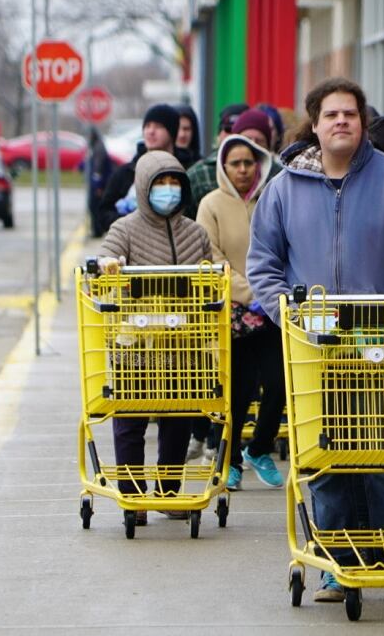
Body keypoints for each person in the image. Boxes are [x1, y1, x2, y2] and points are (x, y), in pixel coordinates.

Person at [247, 76, 384, 602]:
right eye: (331, 115)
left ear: (363, 122)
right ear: (315, 124)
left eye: (351, 113)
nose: (341, 121)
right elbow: (264, 265)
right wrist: (297, 320)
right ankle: (334, 561)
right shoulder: (282, 188)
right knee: (326, 458)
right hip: (316, 350)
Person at [96, 150, 212, 527]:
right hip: (135, 344)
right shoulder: (125, 229)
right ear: (144, 187)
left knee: (177, 414)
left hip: (182, 344)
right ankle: (133, 495)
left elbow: (208, 278)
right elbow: (106, 259)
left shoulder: (195, 233)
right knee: (131, 418)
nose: (167, 190)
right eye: (159, 183)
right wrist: (109, 265)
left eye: (173, 183)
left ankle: (167, 492)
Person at [186, 107, 285, 462]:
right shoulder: (210, 204)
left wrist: (271, 294)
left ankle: (259, 449)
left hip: (273, 310)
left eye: (249, 162)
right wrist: (250, 292)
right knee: (238, 391)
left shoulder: (273, 197)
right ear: (223, 168)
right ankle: (229, 461)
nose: (243, 169)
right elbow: (211, 257)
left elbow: (283, 247)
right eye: (235, 163)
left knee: (278, 384)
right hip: (235, 313)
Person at [97, 103, 180, 234]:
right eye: (147, 126)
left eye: (158, 126)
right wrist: (130, 224)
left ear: (172, 132)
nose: (151, 131)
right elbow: (103, 213)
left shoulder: (184, 171)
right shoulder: (126, 172)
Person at [186, 103, 249, 220]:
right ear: (219, 134)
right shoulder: (198, 174)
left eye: (240, 129)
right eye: (228, 129)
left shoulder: (268, 173)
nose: (233, 135)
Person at [86, 126, 113, 237]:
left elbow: (98, 169)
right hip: (101, 184)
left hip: (99, 185)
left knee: (94, 207)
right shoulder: (99, 146)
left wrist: (98, 186)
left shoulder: (98, 148)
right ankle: (97, 229)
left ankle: (97, 230)